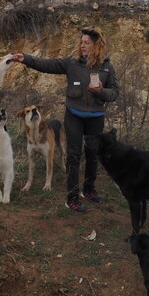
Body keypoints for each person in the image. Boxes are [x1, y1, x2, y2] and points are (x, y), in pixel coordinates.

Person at [14, 26, 120, 213]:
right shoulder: (72, 63)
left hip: (96, 117)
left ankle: (89, 190)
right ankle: (72, 197)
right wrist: (27, 59)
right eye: (82, 42)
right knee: (73, 156)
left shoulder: (107, 66)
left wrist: (101, 91)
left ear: (96, 45)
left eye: (87, 42)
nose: (83, 45)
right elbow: (47, 64)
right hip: (74, 116)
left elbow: (114, 93)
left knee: (93, 155)